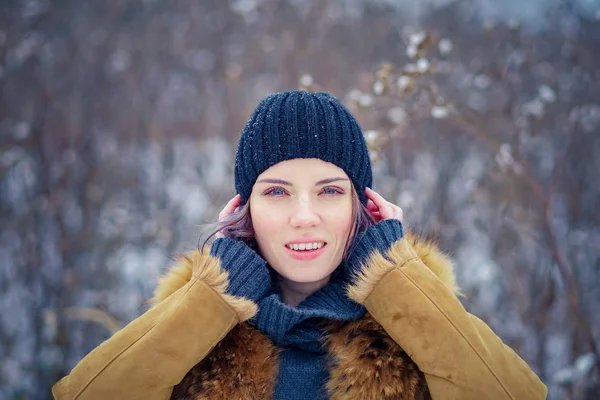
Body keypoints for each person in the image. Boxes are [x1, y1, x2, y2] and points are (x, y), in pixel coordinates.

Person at [52, 91, 547, 400]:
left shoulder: (415, 331)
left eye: (330, 191)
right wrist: (212, 296)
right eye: (276, 192)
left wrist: (395, 278)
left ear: (363, 206)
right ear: (245, 211)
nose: (304, 216)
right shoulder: (194, 332)